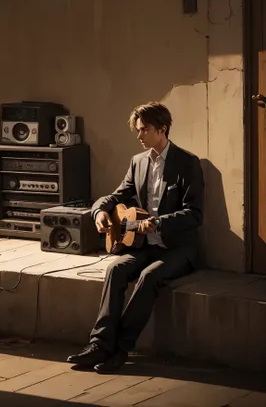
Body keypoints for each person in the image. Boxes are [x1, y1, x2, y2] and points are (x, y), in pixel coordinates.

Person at [67, 101, 204, 374]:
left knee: (149, 276)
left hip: (177, 249)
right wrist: (98, 213)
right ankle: (99, 344)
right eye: (137, 130)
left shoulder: (187, 163)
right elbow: (115, 196)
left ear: (162, 129)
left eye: (145, 129)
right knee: (116, 268)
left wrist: (157, 223)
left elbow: (194, 214)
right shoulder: (138, 162)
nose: (139, 136)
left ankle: (121, 348)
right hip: (142, 246)